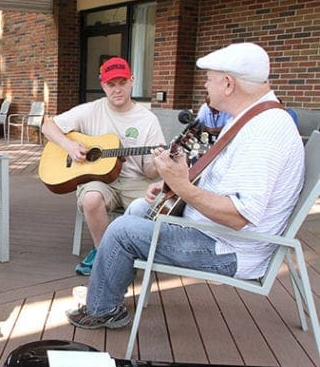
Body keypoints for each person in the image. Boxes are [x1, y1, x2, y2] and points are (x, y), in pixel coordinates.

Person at [65, 42, 304, 330]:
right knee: (142, 206)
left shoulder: (264, 132)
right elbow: (224, 183)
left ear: (228, 84)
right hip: (216, 233)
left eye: (209, 79)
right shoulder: (253, 118)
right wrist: (174, 189)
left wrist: (183, 186)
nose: (206, 85)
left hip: (228, 248)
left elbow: (238, 216)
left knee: (121, 230)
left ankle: (101, 308)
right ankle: (109, 286)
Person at [41, 57, 165, 276]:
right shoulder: (90, 110)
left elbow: (148, 171)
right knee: (91, 198)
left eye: (122, 82)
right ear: (103, 85)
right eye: (111, 84)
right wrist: (69, 146)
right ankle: (104, 253)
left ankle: (129, 251)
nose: (117, 89)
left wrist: (160, 161)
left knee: (160, 207)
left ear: (132, 81)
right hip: (98, 181)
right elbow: (48, 126)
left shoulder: (147, 120)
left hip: (135, 181)